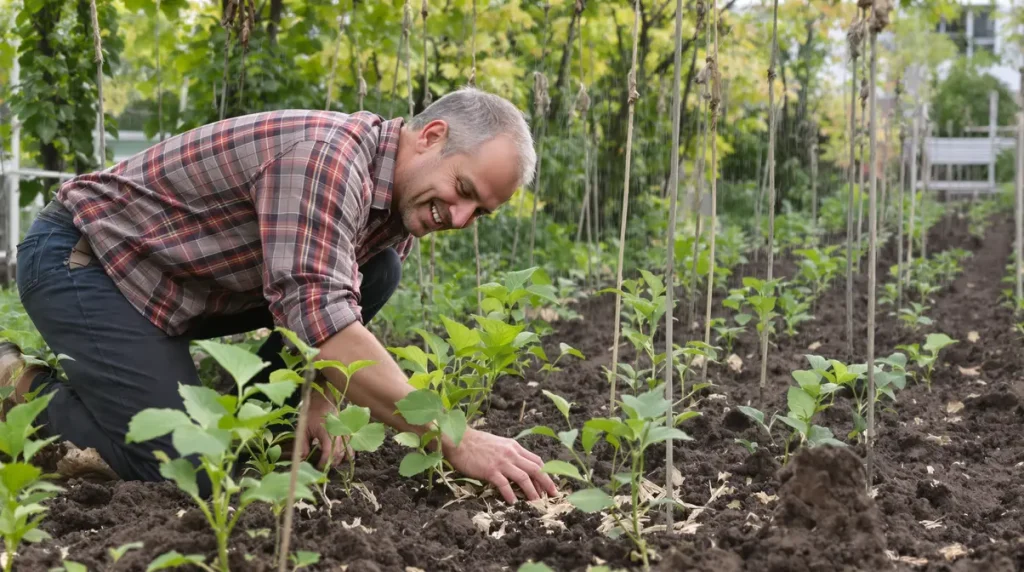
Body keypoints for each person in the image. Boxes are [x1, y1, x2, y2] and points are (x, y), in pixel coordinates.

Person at [0, 87, 558, 504]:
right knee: (190, 473)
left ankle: (163, 397)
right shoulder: (327, 160)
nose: (458, 218)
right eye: (463, 190)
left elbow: (328, 305)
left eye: (478, 212)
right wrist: (455, 438)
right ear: (431, 136)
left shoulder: (396, 205)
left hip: (176, 288)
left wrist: (318, 393)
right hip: (88, 260)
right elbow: (323, 318)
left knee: (378, 271)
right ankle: (14, 384)